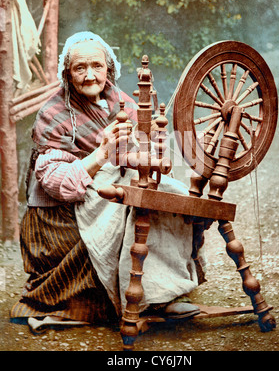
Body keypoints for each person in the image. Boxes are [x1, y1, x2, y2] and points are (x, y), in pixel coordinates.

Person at [10, 32, 203, 333]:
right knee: (129, 206)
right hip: (58, 215)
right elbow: (53, 182)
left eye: (97, 66)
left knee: (165, 193)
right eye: (80, 68)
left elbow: (146, 147)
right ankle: (147, 298)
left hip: (100, 192)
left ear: (109, 69)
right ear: (67, 74)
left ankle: (165, 289)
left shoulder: (117, 98)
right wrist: (101, 153)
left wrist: (163, 141)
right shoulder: (54, 113)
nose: (90, 76)